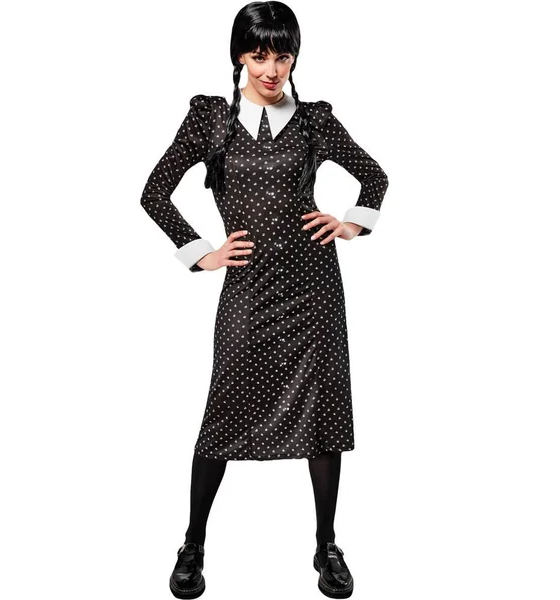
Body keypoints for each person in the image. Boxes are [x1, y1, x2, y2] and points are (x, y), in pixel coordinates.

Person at [140, 2, 389, 597]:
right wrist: (200, 252)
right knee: (222, 412)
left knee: (324, 418)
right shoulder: (211, 120)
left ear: (294, 58)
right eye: (259, 57)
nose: (271, 70)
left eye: (283, 56)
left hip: (314, 292)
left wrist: (351, 224)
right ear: (239, 57)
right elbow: (154, 193)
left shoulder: (315, 120)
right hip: (249, 291)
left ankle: (327, 546)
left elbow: (375, 176)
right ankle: (193, 543)